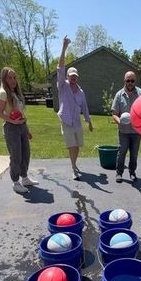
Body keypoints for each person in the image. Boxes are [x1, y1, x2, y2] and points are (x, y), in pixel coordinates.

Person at [0, 67, 39, 194]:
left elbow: (21, 113)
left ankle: (25, 178)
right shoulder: (3, 93)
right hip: (11, 128)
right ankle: (16, 182)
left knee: (26, 153)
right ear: (4, 79)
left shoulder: (15, 92)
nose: (13, 80)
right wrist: (13, 121)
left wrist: (27, 129)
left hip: (21, 126)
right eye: (10, 77)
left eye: (14, 77)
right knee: (16, 156)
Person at [57, 36, 93, 180]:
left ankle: (74, 164)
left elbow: (84, 106)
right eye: (71, 76)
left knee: (77, 146)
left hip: (77, 121)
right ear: (67, 76)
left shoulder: (80, 91)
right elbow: (60, 67)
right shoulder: (62, 86)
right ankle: (73, 168)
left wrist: (89, 121)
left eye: (75, 76)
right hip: (66, 121)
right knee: (72, 146)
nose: (73, 78)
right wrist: (64, 47)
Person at [111, 71, 141, 183]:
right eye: (128, 80)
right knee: (122, 152)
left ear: (135, 81)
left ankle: (132, 173)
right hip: (123, 131)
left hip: (136, 131)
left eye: (132, 81)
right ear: (124, 81)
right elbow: (114, 114)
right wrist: (119, 121)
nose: (130, 83)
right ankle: (119, 173)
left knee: (134, 154)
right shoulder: (119, 95)